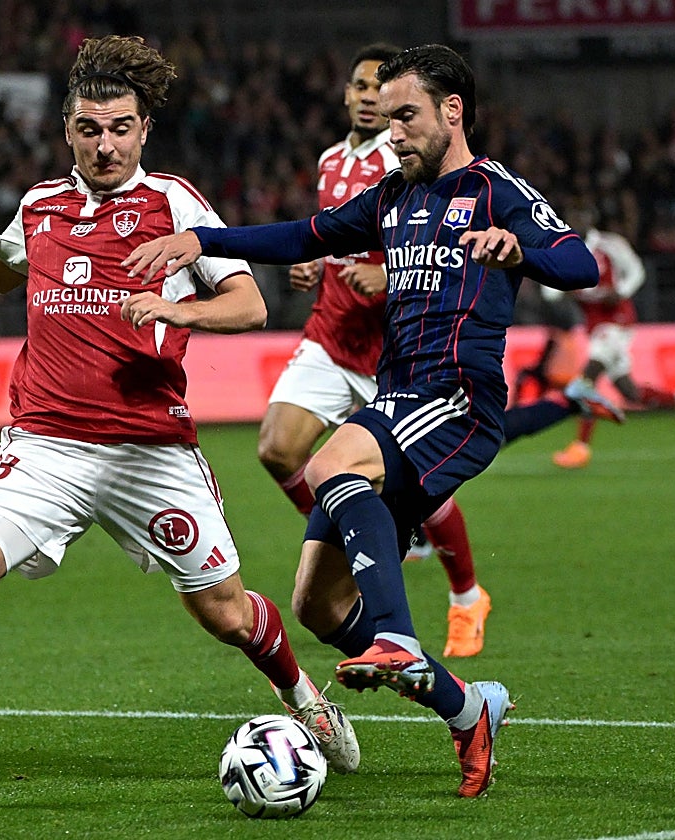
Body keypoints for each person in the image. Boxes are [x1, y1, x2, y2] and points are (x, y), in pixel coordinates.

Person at [0, 35, 359, 775]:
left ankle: (299, 692)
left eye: (120, 129)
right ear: (67, 130)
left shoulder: (173, 202)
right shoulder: (40, 206)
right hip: (45, 444)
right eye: (90, 130)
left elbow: (249, 304)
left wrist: (177, 309)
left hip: (149, 451)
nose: (105, 146)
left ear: (144, 129)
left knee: (223, 610)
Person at [125, 44, 601, 797]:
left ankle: (400, 636)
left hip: (457, 398)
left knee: (327, 465)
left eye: (406, 116)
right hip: (396, 395)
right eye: (386, 117)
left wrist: (521, 249)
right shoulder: (391, 198)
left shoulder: (492, 190)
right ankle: (468, 707)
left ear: (453, 112)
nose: (393, 131)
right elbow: (303, 237)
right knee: (316, 604)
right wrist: (203, 239)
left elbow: (581, 263)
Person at [259, 43, 496, 659]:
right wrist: (314, 263)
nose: (368, 97)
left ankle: (467, 595)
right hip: (332, 333)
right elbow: (329, 233)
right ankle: (362, 542)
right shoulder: (332, 159)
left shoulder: (414, 162)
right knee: (277, 447)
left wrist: (389, 279)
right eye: (359, 86)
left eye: (379, 89)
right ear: (344, 95)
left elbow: (443, 257)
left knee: (431, 496)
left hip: (395, 351)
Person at [550, 200, 675, 470]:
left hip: (617, 321)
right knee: (629, 392)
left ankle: (581, 447)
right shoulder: (562, 249)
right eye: (573, 215)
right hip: (595, 327)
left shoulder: (609, 244)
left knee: (587, 379)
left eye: (582, 214)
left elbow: (636, 271)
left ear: (592, 218)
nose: (577, 220)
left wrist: (620, 292)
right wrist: (562, 287)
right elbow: (548, 291)